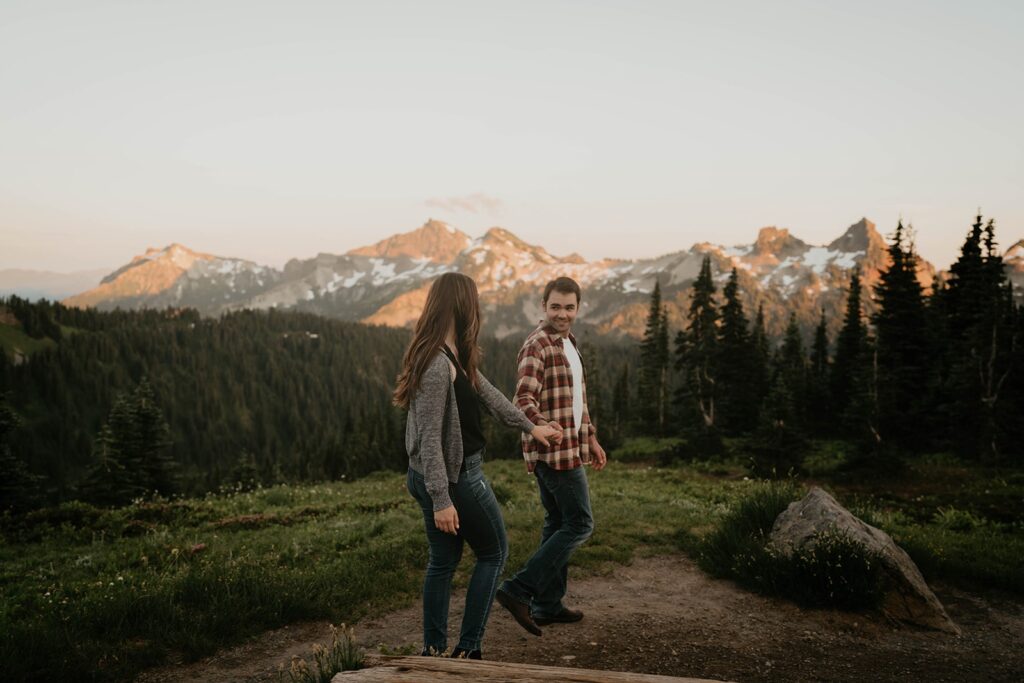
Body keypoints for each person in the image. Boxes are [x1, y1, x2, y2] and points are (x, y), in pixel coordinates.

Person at [394, 272, 561, 660]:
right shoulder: (438, 363)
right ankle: (468, 650)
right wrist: (441, 499)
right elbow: (430, 439)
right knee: (494, 553)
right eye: (476, 300)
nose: (480, 307)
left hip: (431, 477)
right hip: (454, 478)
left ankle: (433, 651)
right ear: (462, 305)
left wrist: (532, 427)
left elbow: (493, 398)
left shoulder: (454, 351)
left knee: (443, 561)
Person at [496, 276, 607, 636]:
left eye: (569, 307)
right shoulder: (536, 346)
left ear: (577, 308)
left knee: (557, 523)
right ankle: (519, 589)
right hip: (553, 452)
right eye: (555, 306)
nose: (562, 313)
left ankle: (547, 604)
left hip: (573, 446)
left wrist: (590, 437)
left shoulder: (569, 342)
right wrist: (544, 427)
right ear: (543, 306)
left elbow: (578, 400)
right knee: (580, 524)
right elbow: (522, 402)